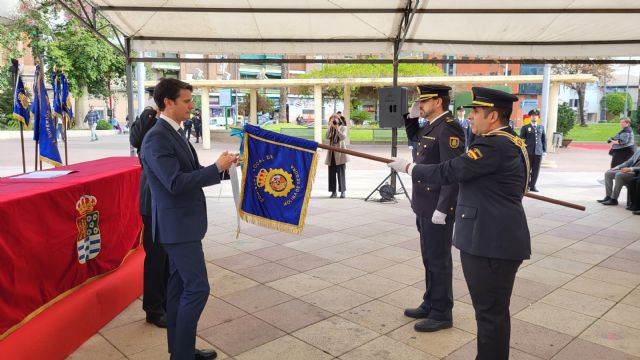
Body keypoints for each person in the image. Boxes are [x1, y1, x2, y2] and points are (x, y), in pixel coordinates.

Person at [389, 87, 530, 360]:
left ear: (492, 117)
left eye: (476, 111)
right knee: (491, 312)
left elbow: (451, 170)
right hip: (495, 236)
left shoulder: (494, 145)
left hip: (490, 240)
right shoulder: (510, 141)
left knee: (490, 314)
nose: (470, 116)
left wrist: (409, 168)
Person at [141, 78, 238, 360]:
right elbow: (174, 183)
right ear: (168, 103)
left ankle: (181, 350)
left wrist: (223, 168)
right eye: (186, 101)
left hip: (183, 225)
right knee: (198, 288)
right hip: (177, 227)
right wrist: (214, 168)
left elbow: (192, 172)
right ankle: (182, 355)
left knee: (178, 287)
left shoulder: (174, 132)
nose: (191, 106)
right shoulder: (157, 137)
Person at [402, 84, 465, 333]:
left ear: (438, 102)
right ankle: (430, 302)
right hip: (424, 204)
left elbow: (453, 171)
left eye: (424, 102)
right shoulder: (432, 125)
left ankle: (442, 312)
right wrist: (411, 119)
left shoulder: (449, 127)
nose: (420, 105)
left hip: (437, 206)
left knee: (439, 260)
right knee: (429, 257)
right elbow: (417, 141)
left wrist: (445, 207)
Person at [129, 96, 169, 330]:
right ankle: (154, 309)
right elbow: (135, 138)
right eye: (184, 100)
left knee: (166, 257)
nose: (190, 106)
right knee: (156, 258)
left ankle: (164, 303)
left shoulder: (171, 126)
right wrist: (151, 111)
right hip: (153, 201)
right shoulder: (152, 121)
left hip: (167, 203)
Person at [520, 109, 546, 192]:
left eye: (536, 115)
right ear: (530, 117)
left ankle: (533, 185)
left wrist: (544, 151)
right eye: (533, 116)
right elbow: (521, 140)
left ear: (538, 117)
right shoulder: (525, 127)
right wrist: (521, 151)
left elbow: (544, 139)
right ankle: (526, 185)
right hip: (528, 152)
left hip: (538, 152)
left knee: (536, 170)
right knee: (527, 169)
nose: (534, 117)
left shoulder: (541, 127)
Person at [325, 114, 348, 198]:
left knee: (341, 173)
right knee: (331, 173)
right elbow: (327, 137)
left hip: (340, 154)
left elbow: (343, 137)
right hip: (331, 154)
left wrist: (337, 128)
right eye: (332, 119)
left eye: (335, 119)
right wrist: (330, 127)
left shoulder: (343, 127)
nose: (334, 121)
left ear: (339, 120)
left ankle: (342, 191)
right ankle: (333, 192)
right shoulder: (330, 128)